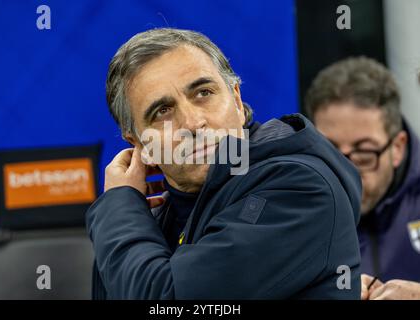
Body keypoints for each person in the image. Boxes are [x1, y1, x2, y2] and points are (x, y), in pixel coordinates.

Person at [86, 28, 362, 299]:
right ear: (139, 145)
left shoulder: (300, 187)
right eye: (162, 111)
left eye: (203, 93)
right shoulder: (139, 226)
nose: (193, 124)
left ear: (237, 101)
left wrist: (119, 208)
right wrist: (125, 213)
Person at [305, 57, 420, 300]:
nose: (345, 172)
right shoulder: (285, 205)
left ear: (397, 148)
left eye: (364, 153)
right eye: (329, 151)